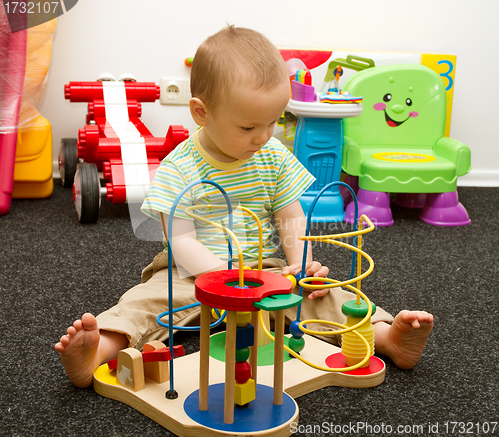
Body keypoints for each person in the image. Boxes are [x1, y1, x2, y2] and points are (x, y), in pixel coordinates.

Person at [55, 26, 433, 389]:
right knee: (146, 303)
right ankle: (98, 348)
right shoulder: (178, 167)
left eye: (274, 122)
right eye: (249, 127)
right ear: (201, 113)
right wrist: (225, 276)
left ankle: (386, 337)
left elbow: (291, 217)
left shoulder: (273, 155)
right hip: (194, 274)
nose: (264, 136)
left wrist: (301, 262)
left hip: (267, 269)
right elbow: (181, 240)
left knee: (329, 296)